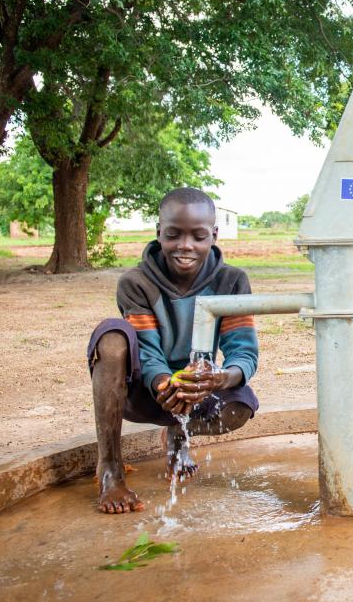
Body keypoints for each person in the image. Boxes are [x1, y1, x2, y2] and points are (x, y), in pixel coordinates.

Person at [86, 188, 260, 514]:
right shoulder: (136, 283)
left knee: (240, 405)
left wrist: (219, 378)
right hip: (145, 392)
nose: (185, 245)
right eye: (173, 234)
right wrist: (165, 383)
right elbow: (148, 353)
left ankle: (177, 439)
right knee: (111, 335)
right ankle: (110, 468)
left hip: (197, 388)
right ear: (158, 233)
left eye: (198, 236)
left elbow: (244, 353)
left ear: (214, 235)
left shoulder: (232, 281)